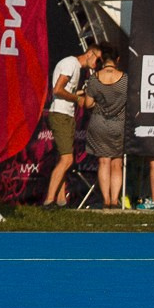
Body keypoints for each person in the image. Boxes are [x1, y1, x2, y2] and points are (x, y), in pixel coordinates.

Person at [42, 45, 99, 207]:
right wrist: (77, 99)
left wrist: (81, 94)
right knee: (67, 159)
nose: (97, 64)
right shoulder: (71, 63)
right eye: (97, 59)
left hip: (66, 115)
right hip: (61, 114)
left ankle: (60, 200)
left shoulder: (76, 67)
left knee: (63, 158)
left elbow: (66, 90)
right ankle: (49, 200)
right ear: (89, 53)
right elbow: (58, 90)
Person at [85, 47, 128, 210]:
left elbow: (88, 103)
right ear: (117, 60)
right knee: (117, 163)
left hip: (99, 123)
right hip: (119, 125)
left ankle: (106, 200)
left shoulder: (94, 79)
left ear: (102, 61)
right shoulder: (125, 79)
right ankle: (115, 200)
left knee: (103, 162)